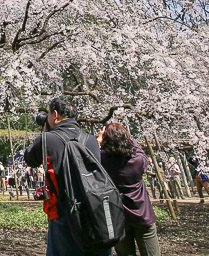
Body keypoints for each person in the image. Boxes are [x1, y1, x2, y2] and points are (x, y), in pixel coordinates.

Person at [24, 96, 111, 256]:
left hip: (63, 213)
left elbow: (29, 158)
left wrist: (45, 132)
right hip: (93, 210)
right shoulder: (90, 140)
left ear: (55, 115)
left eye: (49, 114)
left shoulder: (47, 139)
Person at [98, 123, 160, 256]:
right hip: (142, 215)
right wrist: (127, 136)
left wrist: (100, 140)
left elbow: (94, 154)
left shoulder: (102, 160)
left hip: (118, 217)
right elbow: (138, 149)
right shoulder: (138, 160)